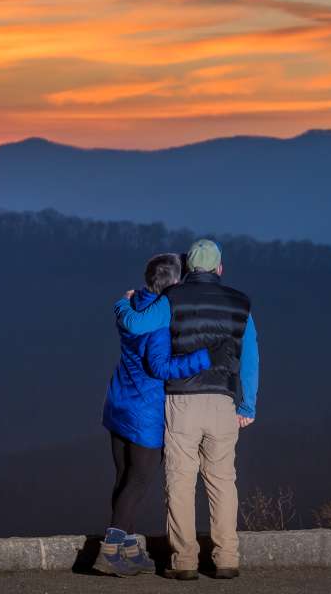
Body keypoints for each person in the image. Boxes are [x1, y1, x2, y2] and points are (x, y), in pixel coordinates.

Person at [114, 239, 259, 581]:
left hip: (182, 401)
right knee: (223, 482)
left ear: (189, 269)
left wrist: (125, 302)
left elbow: (136, 325)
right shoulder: (241, 304)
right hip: (224, 401)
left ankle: (184, 561)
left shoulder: (172, 298)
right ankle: (226, 558)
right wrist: (247, 404)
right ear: (220, 268)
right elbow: (250, 357)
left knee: (180, 482)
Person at [94, 253, 213, 578]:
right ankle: (110, 551)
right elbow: (160, 368)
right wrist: (204, 358)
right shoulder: (160, 319)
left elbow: (125, 317)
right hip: (144, 412)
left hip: (117, 402)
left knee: (123, 480)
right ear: (174, 283)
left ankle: (129, 550)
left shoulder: (134, 304)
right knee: (139, 481)